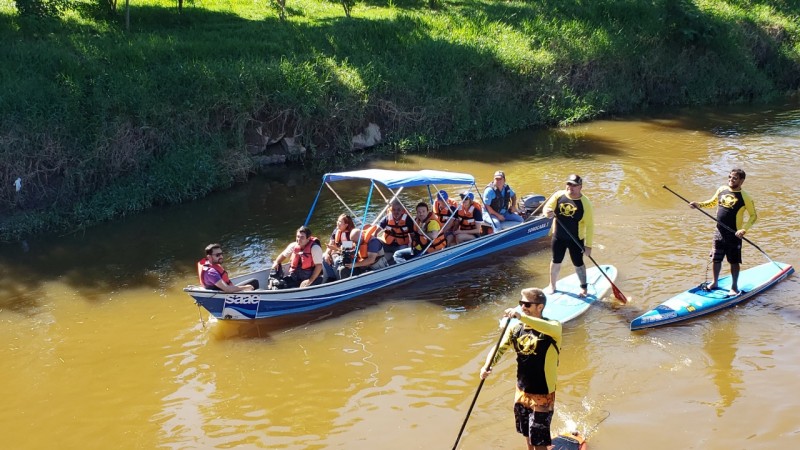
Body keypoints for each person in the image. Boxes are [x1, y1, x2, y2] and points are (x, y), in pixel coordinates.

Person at [480, 288, 563, 450]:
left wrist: (520, 316)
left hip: (543, 392)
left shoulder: (553, 328)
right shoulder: (515, 329)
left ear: (539, 307)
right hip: (522, 390)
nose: (523, 307)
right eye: (521, 303)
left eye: (527, 304)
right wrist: (486, 366)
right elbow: (498, 349)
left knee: (538, 440)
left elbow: (550, 327)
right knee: (526, 433)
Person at [689, 168, 757, 295]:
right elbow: (712, 202)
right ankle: (715, 282)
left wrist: (743, 230)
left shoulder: (745, 197)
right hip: (718, 232)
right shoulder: (721, 190)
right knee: (716, 258)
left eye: (735, 178)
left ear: (741, 181)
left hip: (734, 234)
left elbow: (753, 216)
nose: (731, 180)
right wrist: (699, 205)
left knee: (734, 261)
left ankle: (734, 287)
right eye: (730, 177)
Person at [542, 174, 594, 297]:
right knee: (556, 261)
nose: (570, 187)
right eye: (569, 184)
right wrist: (547, 213)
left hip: (576, 239)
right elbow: (547, 208)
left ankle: (584, 288)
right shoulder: (558, 195)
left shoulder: (585, 203)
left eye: (574, 185)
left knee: (578, 263)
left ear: (580, 187)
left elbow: (590, 226)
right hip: (558, 236)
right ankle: (552, 285)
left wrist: (589, 246)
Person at [322, 214, 356, 282]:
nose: (337, 222)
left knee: (337, 260)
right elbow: (331, 243)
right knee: (324, 257)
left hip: (348, 254)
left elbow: (353, 245)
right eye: (338, 220)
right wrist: (327, 253)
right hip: (337, 251)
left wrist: (340, 247)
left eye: (340, 222)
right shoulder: (336, 231)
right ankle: (329, 277)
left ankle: (338, 280)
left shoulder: (352, 233)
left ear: (346, 225)